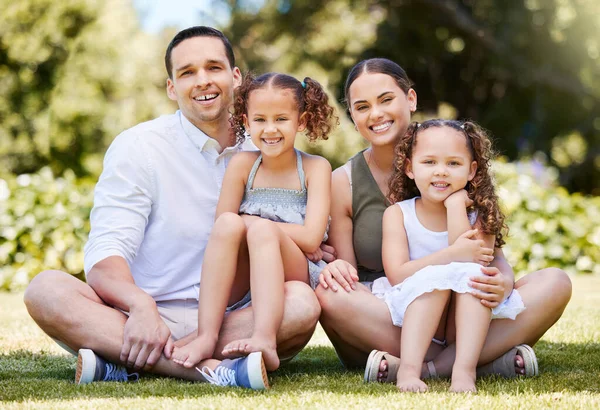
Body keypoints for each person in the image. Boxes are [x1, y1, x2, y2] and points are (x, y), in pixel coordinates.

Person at [23, 26, 321, 390]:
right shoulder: (139, 147)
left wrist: (328, 254)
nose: (203, 81)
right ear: (171, 87)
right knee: (45, 290)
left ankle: (123, 363)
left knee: (302, 304)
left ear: (236, 77)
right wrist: (140, 307)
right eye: (187, 72)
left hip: (233, 318)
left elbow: (303, 230)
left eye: (214, 67)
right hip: (138, 317)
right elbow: (106, 251)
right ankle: (208, 370)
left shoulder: (269, 141)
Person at [315, 58, 572, 384]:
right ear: (353, 117)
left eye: (386, 99)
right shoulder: (344, 180)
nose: (376, 114)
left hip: (467, 309)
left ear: (410, 99)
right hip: (390, 316)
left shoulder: (452, 156)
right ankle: (481, 360)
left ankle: (424, 367)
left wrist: (503, 282)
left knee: (555, 282)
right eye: (362, 107)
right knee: (329, 294)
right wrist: (336, 266)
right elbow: (349, 273)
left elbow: (490, 257)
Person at [171, 72, 335, 374]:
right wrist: (248, 223)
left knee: (256, 228)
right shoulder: (243, 164)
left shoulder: (315, 168)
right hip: (246, 272)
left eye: (281, 119)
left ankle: (264, 338)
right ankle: (207, 336)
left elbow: (312, 239)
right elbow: (224, 222)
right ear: (246, 122)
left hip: (294, 271)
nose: (270, 130)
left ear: (301, 121)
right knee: (228, 226)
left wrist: (255, 223)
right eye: (260, 120)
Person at [374, 119, 525, 392]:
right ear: (409, 168)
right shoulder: (398, 214)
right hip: (414, 311)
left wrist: (456, 206)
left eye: (453, 164)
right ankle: (409, 371)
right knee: (435, 278)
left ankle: (463, 372)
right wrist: (451, 254)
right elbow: (398, 274)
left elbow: (473, 264)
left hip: (463, 317)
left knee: (474, 276)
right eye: (429, 162)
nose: (441, 172)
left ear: (471, 170)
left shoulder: (480, 214)